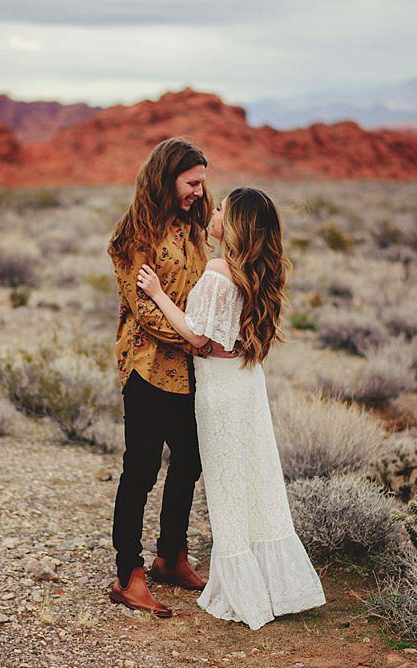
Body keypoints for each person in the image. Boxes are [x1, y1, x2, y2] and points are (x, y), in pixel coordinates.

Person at [136, 186, 326, 630]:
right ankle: (271, 582)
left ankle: (243, 588)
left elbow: (198, 336)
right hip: (247, 382)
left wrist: (158, 292)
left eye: (220, 208)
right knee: (255, 477)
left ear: (234, 223)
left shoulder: (219, 272)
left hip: (220, 390)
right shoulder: (256, 270)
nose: (213, 211)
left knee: (227, 483)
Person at [107, 137, 235, 618]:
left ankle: (170, 555)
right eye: (192, 183)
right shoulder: (131, 236)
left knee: (190, 459)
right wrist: (200, 339)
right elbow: (146, 315)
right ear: (168, 179)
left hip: (189, 371)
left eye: (204, 184)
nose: (200, 193)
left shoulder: (194, 227)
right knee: (140, 469)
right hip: (146, 368)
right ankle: (128, 574)